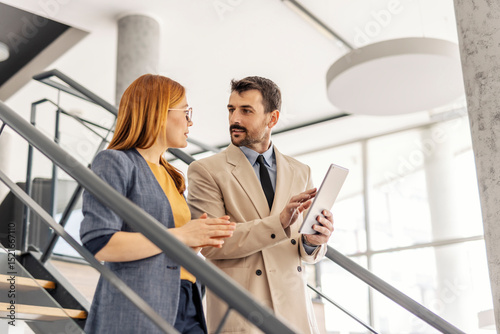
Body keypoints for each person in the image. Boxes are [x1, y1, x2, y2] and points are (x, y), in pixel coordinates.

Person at [80, 74, 236, 334]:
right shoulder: (115, 162)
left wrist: (195, 240)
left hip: (188, 300)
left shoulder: (172, 176)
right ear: (158, 112)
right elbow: (101, 242)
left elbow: (170, 244)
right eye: (186, 112)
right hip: (141, 306)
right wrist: (180, 236)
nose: (191, 121)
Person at [187, 76, 334, 334]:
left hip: (294, 313)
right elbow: (211, 245)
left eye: (246, 111)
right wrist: (278, 223)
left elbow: (302, 249)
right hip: (241, 312)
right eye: (232, 109)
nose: (235, 119)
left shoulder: (300, 171)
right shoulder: (205, 170)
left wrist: (314, 240)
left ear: (272, 118)